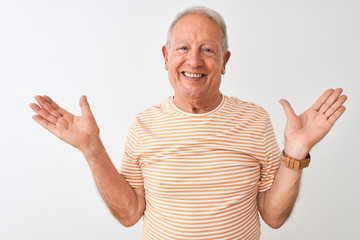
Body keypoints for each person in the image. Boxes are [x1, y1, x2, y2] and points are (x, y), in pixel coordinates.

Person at [29, 6, 347, 240]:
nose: (194, 60)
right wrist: (91, 147)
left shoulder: (255, 120)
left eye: (207, 50)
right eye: (183, 48)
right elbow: (129, 215)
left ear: (224, 61)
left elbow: (274, 217)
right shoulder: (144, 124)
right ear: (166, 57)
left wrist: (296, 150)